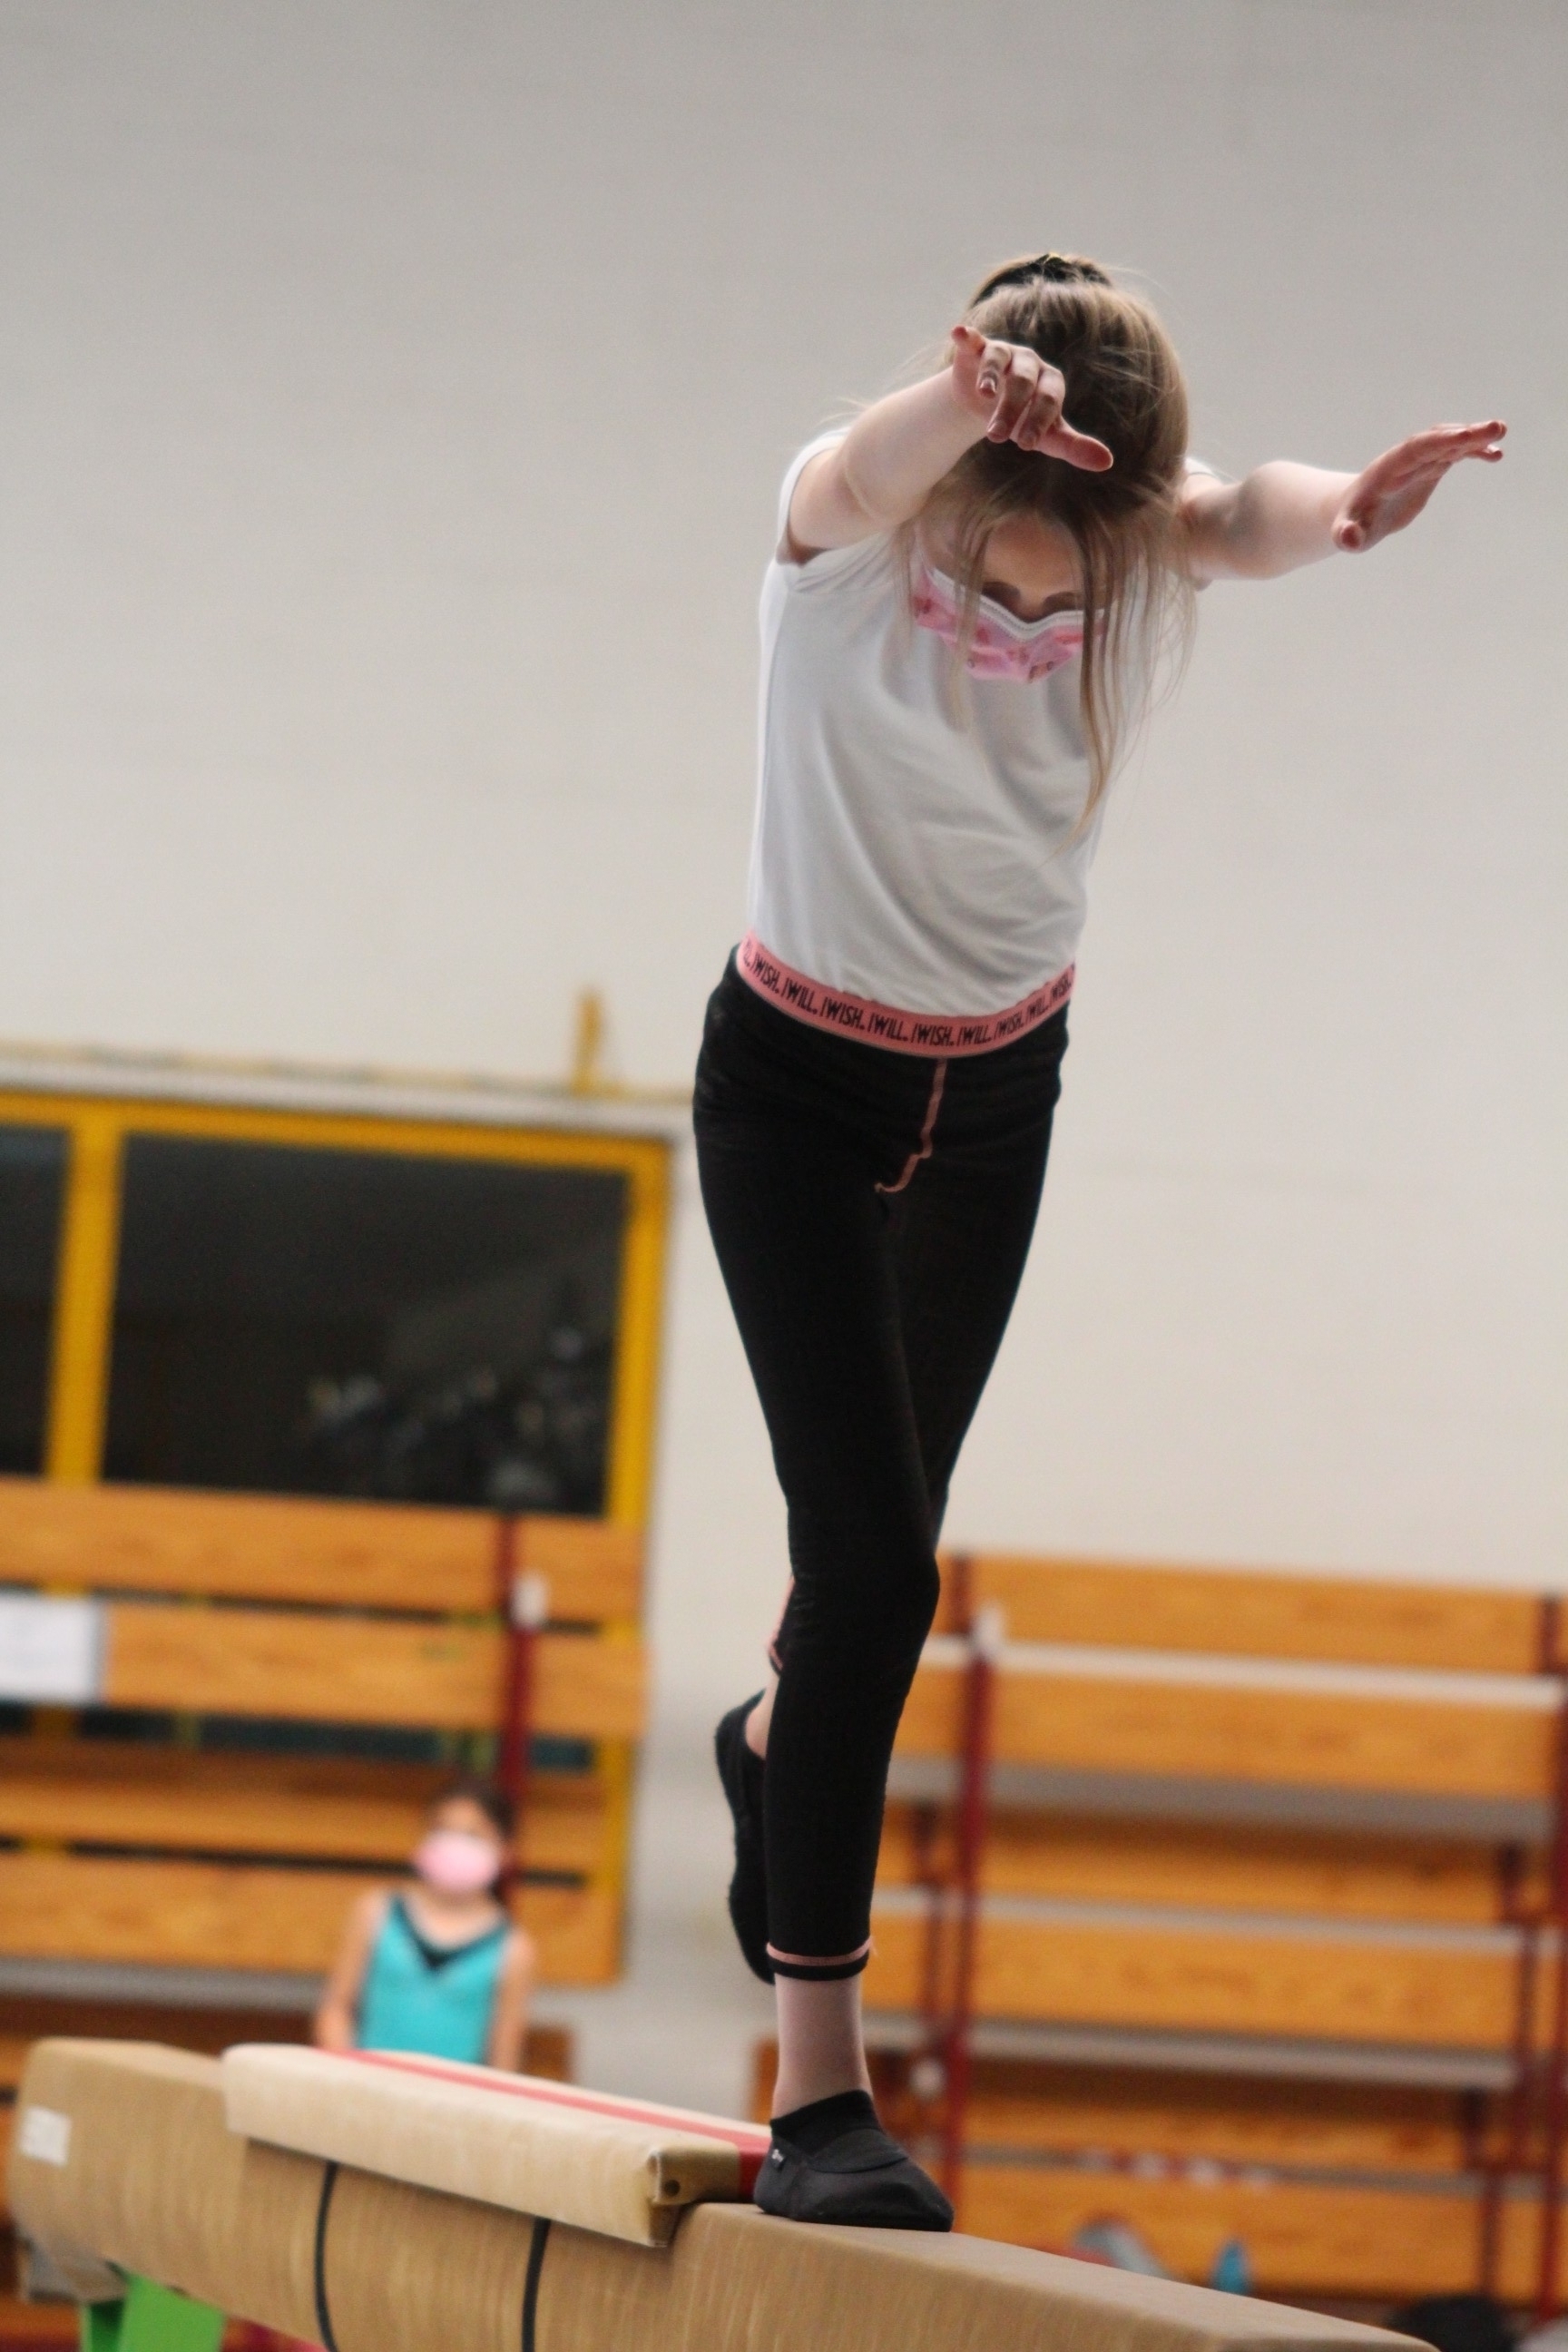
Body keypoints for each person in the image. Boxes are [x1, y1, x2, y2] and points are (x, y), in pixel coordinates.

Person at [697, 250, 1504, 2229]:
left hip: (997, 1097)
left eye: (1065, 598)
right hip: (796, 1089)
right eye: (1004, 584)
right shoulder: (845, 527)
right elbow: (868, 467)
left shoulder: (1130, 542)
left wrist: (1349, 507)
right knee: (876, 1566)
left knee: (869, 1563)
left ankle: (777, 1738)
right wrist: (958, 403)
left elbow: (1238, 513)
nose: (1032, 619)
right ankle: (821, 2098)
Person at [313, 1779, 535, 2068]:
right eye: (443, 1830)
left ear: (505, 1851)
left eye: (473, 1835)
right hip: (365, 2083)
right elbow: (336, 2009)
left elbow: (503, 2058)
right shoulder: (377, 1912)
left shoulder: (513, 1949)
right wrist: (348, 2072)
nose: (455, 1844)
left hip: (453, 2095)